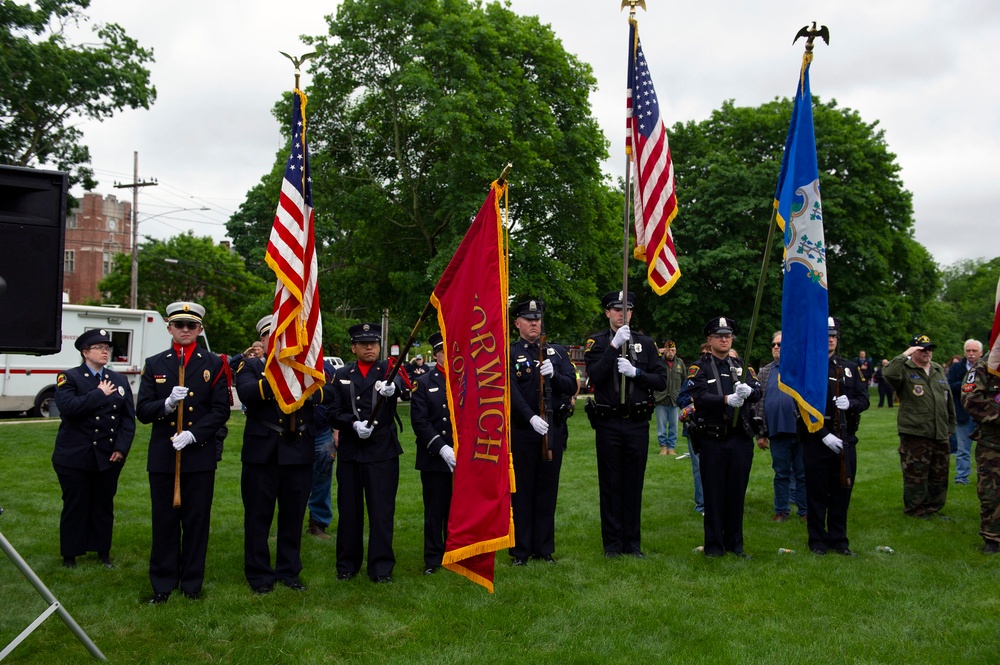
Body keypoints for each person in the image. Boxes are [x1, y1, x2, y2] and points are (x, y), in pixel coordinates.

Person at [136, 302, 230, 603]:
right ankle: (162, 585)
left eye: (191, 326)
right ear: (169, 328)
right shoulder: (155, 363)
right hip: (164, 458)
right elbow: (143, 411)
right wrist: (165, 406)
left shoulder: (214, 364)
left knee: (196, 522)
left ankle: (191, 585)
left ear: (200, 329)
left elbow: (220, 411)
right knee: (164, 523)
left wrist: (193, 434)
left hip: (198, 457)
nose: (185, 330)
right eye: (180, 325)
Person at [236, 315, 325, 594]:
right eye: (271, 337)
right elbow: (247, 392)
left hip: (297, 451)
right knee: (257, 518)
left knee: (293, 517)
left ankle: (289, 572)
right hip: (262, 454)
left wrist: (299, 381)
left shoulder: (305, 368)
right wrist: (282, 380)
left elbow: (326, 393)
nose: (277, 342)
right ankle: (259, 575)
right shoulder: (249, 365)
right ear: (263, 341)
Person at [583, 291, 667, 558]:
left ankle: (632, 544)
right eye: (616, 309)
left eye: (626, 309)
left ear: (632, 313)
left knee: (633, 484)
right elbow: (594, 374)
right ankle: (612, 545)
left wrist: (637, 372)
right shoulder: (596, 342)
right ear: (607, 313)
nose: (622, 314)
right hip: (608, 422)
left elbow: (661, 381)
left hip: (636, 423)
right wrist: (612, 348)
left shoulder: (646, 343)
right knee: (610, 484)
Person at [330, 322, 408, 583]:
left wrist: (393, 387)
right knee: (349, 511)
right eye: (363, 344)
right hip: (352, 450)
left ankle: (381, 568)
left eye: (373, 343)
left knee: (381, 511)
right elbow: (332, 412)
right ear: (353, 348)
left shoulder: (388, 369)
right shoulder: (342, 373)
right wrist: (351, 424)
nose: (369, 348)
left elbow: (403, 384)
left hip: (382, 451)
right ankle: (347, 565)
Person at [52, 328, 136, 569]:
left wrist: (121, 448)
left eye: (107, 348)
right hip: (74, 456)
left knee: (103, 504)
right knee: (75, 504)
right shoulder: (69, 378)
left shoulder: (118, 380)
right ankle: (70, 554)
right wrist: (98, 394)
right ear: (85, 352)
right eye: (99, 348)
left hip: (107, 456)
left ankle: (102, 551)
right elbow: (69, 408)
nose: (105, 351)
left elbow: (127, 419)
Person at [507, 299, 577, 565]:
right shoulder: (511, 353)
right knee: (522, 491)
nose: (534, 323)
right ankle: (520, 551)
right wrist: (530, 417)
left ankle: (544, 548)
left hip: (553, 428)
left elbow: (570, 385)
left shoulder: (557, 353)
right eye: (528, 319)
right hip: (525, 430)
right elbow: (510, 390)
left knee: (548, 490)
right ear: (518, 324)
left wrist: (554, 376)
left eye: (537, 319)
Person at [686, 316, 761, 558]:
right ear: (709, 340)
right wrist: (726, 400)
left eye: (728, 335)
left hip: (740, 438)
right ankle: (714, 547)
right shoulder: (699, 367)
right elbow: (698, 396)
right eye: (719, 335)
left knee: (737, 493)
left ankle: (735, 546)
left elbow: (759, 391)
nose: (724, 339)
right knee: (714, 494)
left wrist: (749, 391)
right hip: (713, 438)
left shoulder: (742, 365)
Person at [801, 317, 869, 555]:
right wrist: (823, 434)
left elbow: (864, 399)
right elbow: (801, 406)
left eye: (833, 336)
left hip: (845, 437)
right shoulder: (808, 367)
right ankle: (817, 540)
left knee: (842, 490)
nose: (829, 339)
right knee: (817, 493)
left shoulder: (850, 368)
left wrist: (850, 403)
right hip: (817, 438)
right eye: (825, 335)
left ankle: (839, 539)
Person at [884, 334, 956, 518]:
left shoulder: (938, 369)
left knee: (939, 475)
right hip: (916, 432)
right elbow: (889, 373)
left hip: (940, 431)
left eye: (930, 349)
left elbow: (947, 400)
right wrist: (906, 354)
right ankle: (915, 509)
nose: (927, 352)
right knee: (916, 474)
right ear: (913, 351)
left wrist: (951, 425)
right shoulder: (905, 369)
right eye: (922, 349)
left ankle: (933, 508)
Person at [409, 332, 455, 574]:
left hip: (462, 457)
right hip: (434, 456)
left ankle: (456, 553)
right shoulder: (424, 382)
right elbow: (420, 421)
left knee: (458, 510)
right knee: (435, 510)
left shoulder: (466, 380)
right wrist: (442, 447)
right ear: (436, 354)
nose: (449, 356)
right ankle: (433, 558)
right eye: (444, 351)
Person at [751, 331, 807, 522]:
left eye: (780, 344)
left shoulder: (802, 369)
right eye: (773, 344)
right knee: (781, 473)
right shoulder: (765, 372)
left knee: (802, 473)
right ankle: (781, 510)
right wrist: (760, 433)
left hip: (801, 431)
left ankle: (805, 511)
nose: (775, 347)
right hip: (776, 431)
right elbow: (758, 403)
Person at [961, 349, 1000, 553]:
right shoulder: (984, 368)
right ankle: (992, 539)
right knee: (992, 492)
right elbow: (970, 400)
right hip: (993, 445)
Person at [306, 357, 339, 540]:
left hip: (322, 430)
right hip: (295, 432)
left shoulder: (325, 368)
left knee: (323, 477)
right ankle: (289, 524)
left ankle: (318, 523)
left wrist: (337, 430)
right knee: (291, 480)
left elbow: (336, 400)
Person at [948, 339, 983, 485]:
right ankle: (962, 476)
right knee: (963, 448)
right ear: (964, 352)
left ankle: (985, 476)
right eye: (968, 351)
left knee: (985, 449)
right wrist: (967, 385)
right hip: (963, 413)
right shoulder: (957, 368)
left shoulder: (987, 367)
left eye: (974, 351)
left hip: (983, 414)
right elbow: (949, 386)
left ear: (981, 353)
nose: (971, 354)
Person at [654, 340, 686, 456]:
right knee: (661, 426)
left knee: (674, 426)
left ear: (675, 351)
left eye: (672, 350)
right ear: (664, 350)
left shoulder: (680, 363)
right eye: (668, 350)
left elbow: (684, 381)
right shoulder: (658, 362)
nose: (670, 352)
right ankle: (663, 447)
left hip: (674, 399)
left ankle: (671, 448)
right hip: (661, 398)